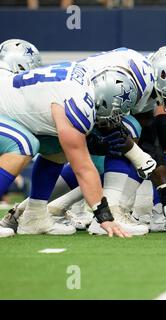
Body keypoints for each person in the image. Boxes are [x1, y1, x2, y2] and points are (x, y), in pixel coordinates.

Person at [0, 61, 139, 238]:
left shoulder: (85, 77)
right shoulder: (79, 107)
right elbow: (83, 169)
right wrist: (104, 216)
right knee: (23, 143)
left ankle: (34, 216)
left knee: (57, 146)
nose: (114, 120)